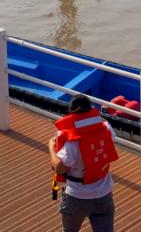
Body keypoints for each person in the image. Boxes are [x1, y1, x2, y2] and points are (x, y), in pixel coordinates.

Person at [48, 94, 119, 232]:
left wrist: (51, 146)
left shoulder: (72, 141)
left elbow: (60, 168)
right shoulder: (105, 128)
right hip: (104, 194)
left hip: (77, 196)